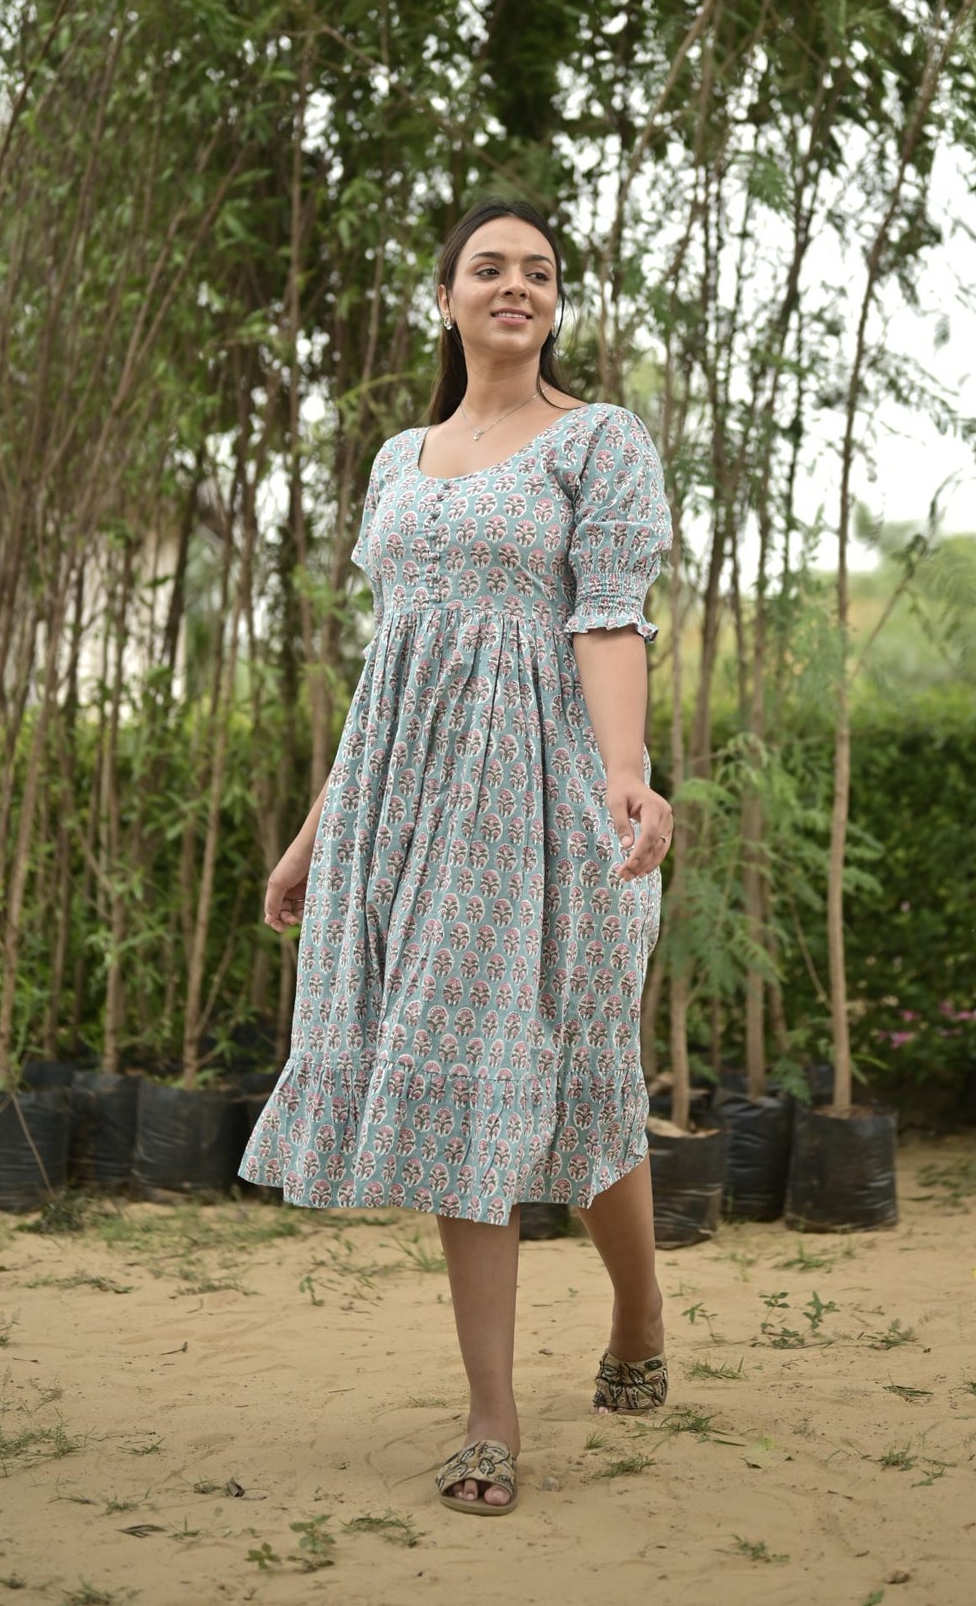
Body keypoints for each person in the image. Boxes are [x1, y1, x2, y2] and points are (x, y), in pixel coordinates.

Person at [239, 197, 676, 1516]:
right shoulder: (397, 458)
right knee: (454, 1077)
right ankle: (491, 1419)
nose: (515, 286)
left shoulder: (595, 442)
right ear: (444, 297)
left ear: (555, 302)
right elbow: (391, 671)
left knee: (582, 1088)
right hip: (406, 816)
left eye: (537, 272)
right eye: (489, 267)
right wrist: (317, 836)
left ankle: (639, 1311)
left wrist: (623, 773)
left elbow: (608, 619)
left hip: (541, 808)